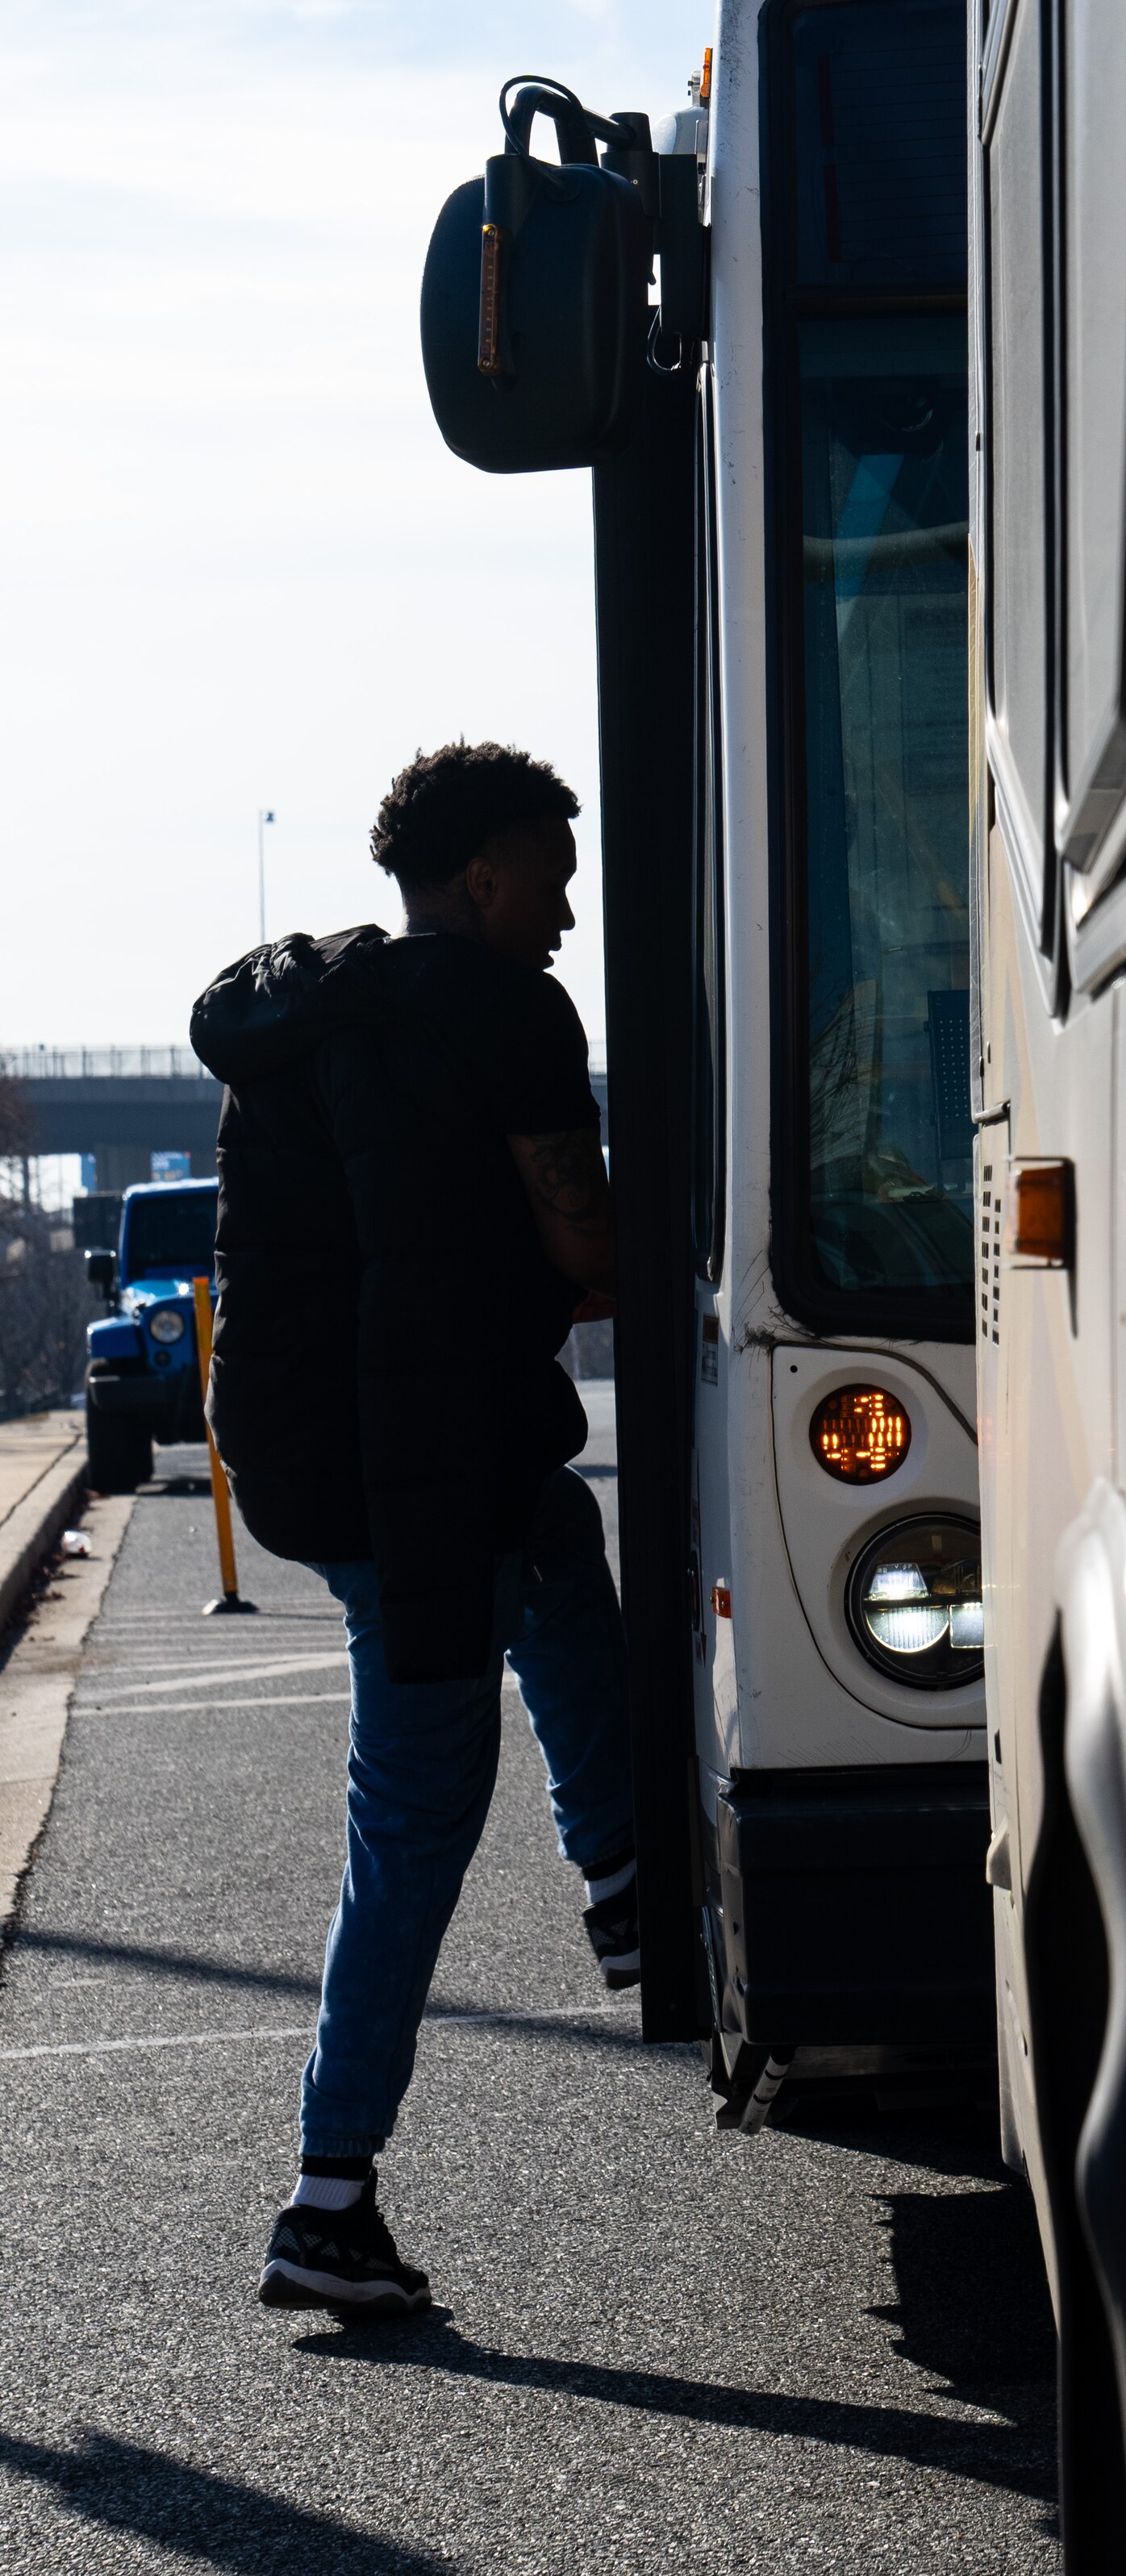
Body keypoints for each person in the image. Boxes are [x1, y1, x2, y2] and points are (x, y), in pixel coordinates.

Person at [190, 742, 637, 2322]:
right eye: (552, 880)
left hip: (311, 1452)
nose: (568, 915)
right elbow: (581, 1239)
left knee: (559, 1546)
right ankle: (328, 2198)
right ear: (484, 877)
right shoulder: (509, 1010)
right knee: (416, 1820)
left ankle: (626, 1873)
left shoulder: (300, 1019)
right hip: (422, 1468)